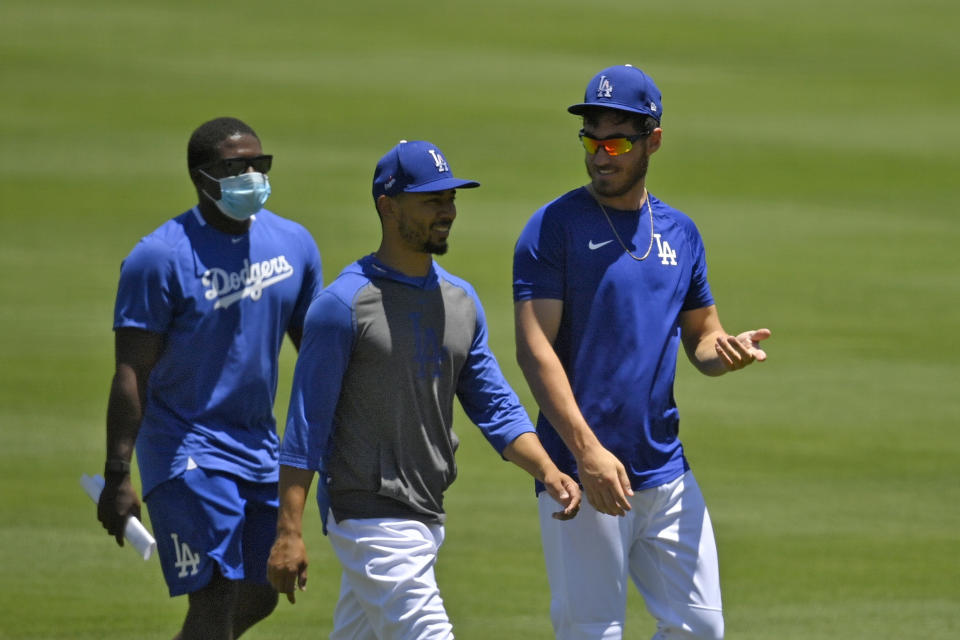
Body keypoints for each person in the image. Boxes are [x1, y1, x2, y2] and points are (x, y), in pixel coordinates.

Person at [267, 139, 582, 639]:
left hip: (425, 516)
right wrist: (288, 531)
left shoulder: (460, 301)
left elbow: (494, 405)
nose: (448, 211)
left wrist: (547, 469)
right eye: (432, 200)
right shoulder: (342, 307)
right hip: (368, 516)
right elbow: (306, 427)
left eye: (451, 199)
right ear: (387, 206)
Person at [512, 64, 772, 640]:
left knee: (700, 628)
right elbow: (535, 350)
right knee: (592, 633)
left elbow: (703, 334)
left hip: (665, 471)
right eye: (591, 141)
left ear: (653, 140)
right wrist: (587, 453)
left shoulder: (680, 232)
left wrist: (722, 350)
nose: (601, 156)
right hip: (581, 476)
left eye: (617, 142)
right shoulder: (552, 228)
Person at [97, 117, 323, 640]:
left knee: (262, 590)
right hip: (185, 451)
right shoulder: (159, 258)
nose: (251, 175)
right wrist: (117, 474)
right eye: (234, 166)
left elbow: (314, 354)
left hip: (258, 447)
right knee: (216, 592)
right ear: (202, 178)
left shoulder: (293, 244)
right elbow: (131, 372)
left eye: (257, 164)